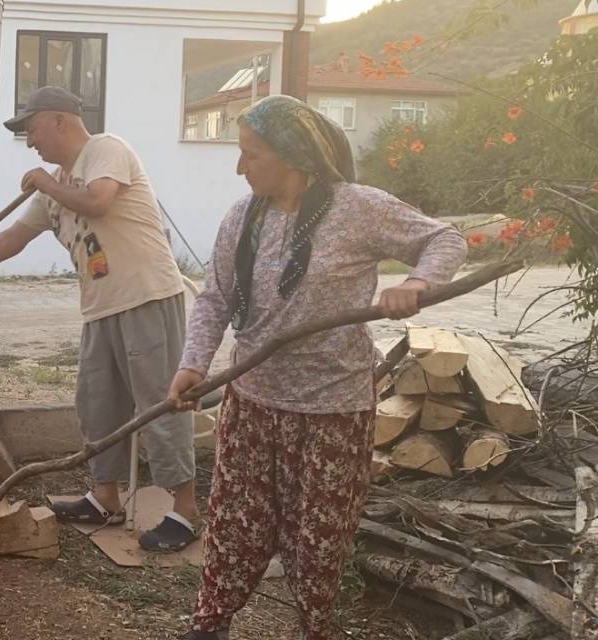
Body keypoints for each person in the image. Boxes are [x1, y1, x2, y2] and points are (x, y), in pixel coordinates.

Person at [166, 95, 468, 640]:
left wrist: (418, 282)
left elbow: (445, 238)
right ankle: (210, 625)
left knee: (319, 538)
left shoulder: (358, 208)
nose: (239, 167)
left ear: (292, 155)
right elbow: (215, 299)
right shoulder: (242, 217)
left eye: (251, 154)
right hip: (253, 401)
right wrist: (194, 364)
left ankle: (314, 628)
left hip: (333, 409)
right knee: (235, 523)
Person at [0, 86, 199, 551]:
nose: (30, 141)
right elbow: (12, 239)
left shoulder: (105, 150)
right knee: (97, 406)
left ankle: (186, 510)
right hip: (100, 307)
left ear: (60, 121)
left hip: (147, 296)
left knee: (159, 403)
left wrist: (45, 182)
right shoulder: (54, 184)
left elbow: (99, 201)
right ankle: (105, 497)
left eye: (32, 129)